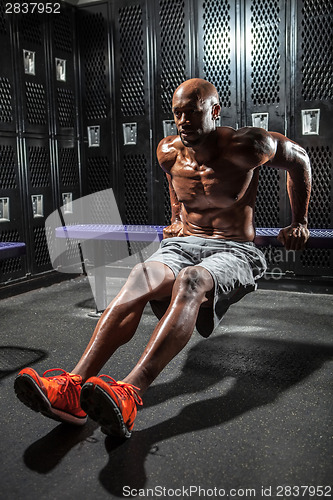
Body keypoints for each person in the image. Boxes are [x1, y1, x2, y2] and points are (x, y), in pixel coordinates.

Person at [14, 78, 311, 439]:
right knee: (140, 274)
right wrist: (174, 219)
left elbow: (300, 160)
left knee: (191, 280)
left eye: (193, 112)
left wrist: (299, 222)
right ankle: (73, 386)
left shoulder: (248, 144)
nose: (184, 121)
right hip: (185, 242)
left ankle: (131, 391)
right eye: (178, 114)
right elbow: (175, 184)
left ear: (214, 111)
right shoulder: (168, 151)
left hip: (234, 248)